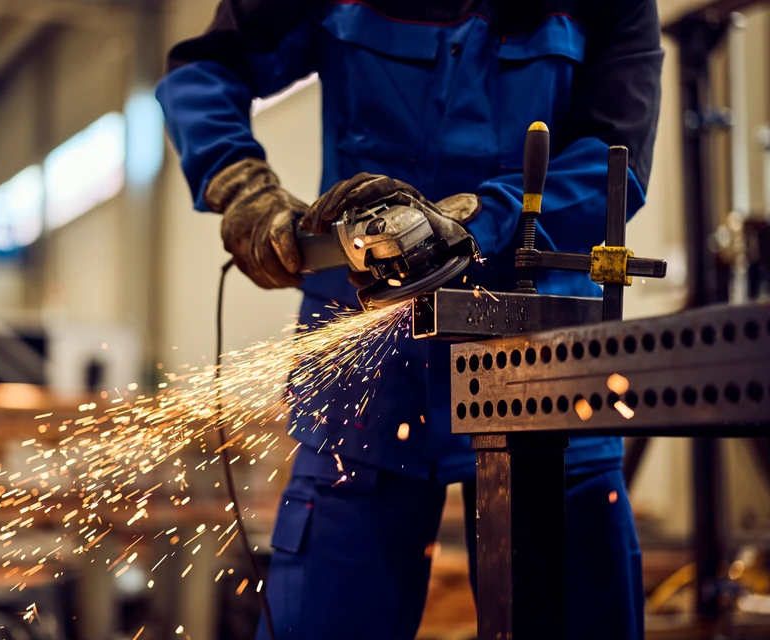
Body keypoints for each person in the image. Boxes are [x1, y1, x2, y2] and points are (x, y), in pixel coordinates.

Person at [157, 1, 663, 638]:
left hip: (545, 373)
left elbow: (617, 163)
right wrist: (240, 184)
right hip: (364, 380)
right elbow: (201, 72)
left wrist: (477, 217)